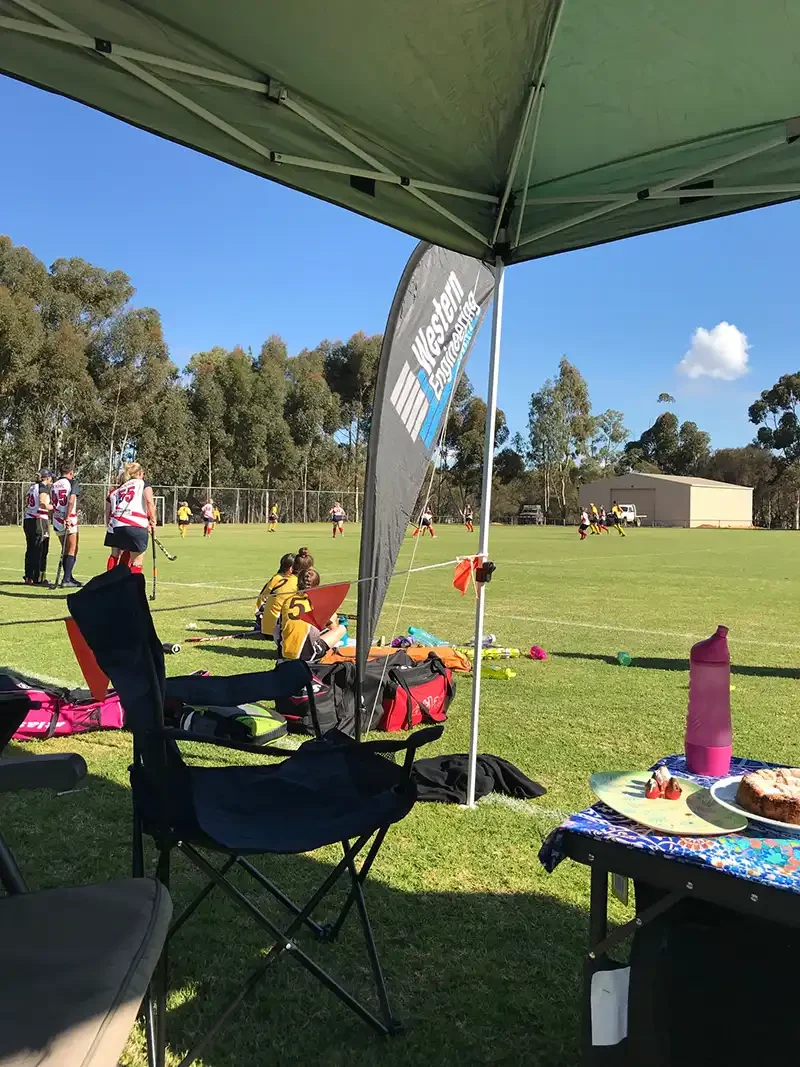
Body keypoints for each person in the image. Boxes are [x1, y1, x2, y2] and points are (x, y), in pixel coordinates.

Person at [275, 567, 347, 661]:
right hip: (306, 654)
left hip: (285, 652)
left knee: (278, 627)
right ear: (317, 586)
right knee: (340, 628)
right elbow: (332, 628)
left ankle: (287, 649)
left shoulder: (288, 600)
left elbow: (278, 628)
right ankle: (331, 650)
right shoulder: (317, 602)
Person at [105, 461, 157, 575]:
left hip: (117, 526)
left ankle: (114, 584)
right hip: (135, 524)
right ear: (139, 473)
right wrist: (153, 520)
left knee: (121, 554)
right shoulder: (142, 483)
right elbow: (149, 501)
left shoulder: (121, 487)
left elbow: (109, 510)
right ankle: (134, 591)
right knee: (136, 563)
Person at [52, 462, 82, 587]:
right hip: (69, 519)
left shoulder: (54, 484)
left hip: (56, 519)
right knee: (72, 548)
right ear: (71, 473)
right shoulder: (72, 482)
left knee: (65, 549)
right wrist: (68, 516)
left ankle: (68, 576)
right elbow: (71, 500)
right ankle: (66, 579)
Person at [23, 469, 54, 585]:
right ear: (47, 477)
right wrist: (54, 507)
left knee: (30, 549)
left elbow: (29, 501)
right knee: (41, 549)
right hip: (39, 519)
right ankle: (39, 578)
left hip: (28, 519)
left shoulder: (32, 487)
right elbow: (42, 503)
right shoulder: (42, 487)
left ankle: (28, 576)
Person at [255, 552, 297, 634]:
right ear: (291, 569)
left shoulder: (276, 578)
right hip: (280, 631)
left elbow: (261, 599)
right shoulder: (294, 580)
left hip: (266, 630)